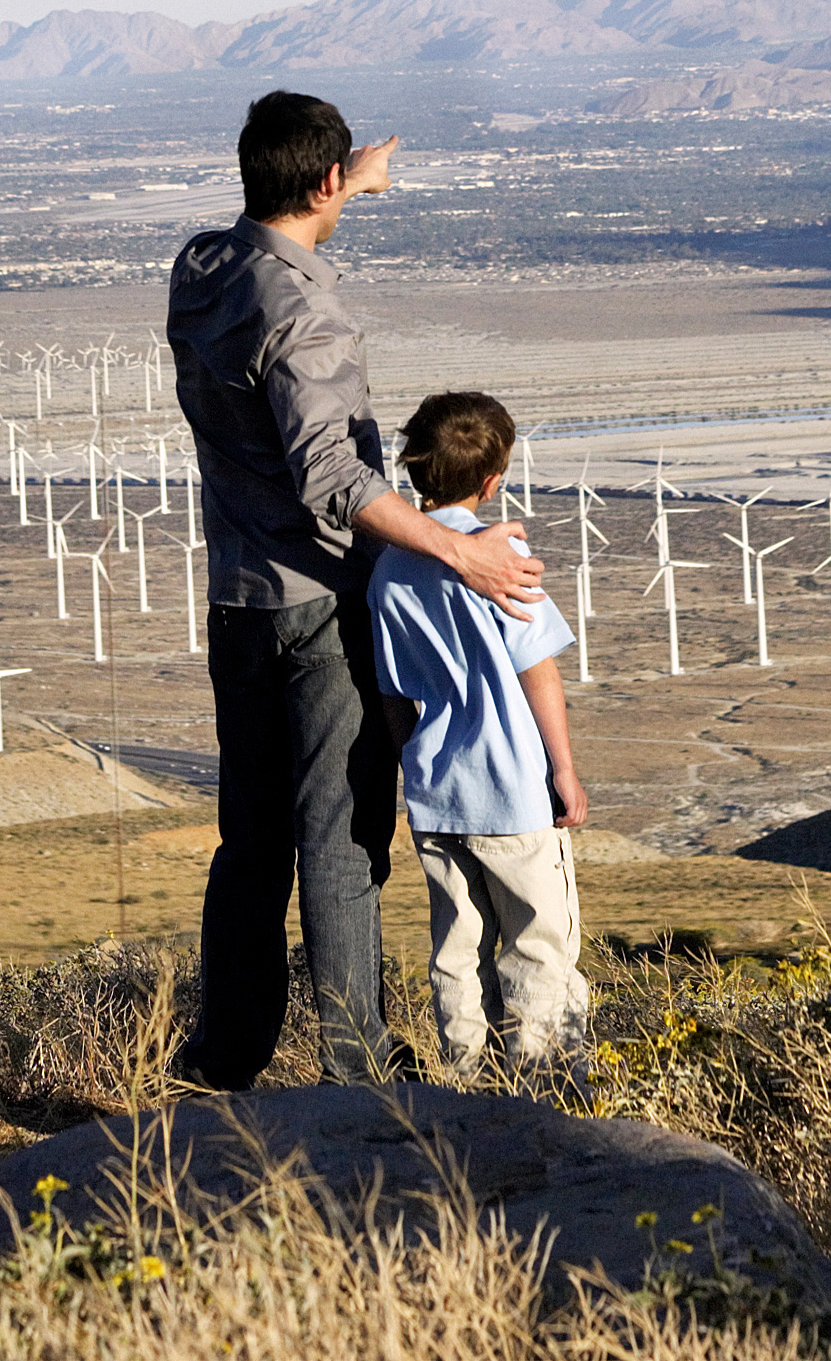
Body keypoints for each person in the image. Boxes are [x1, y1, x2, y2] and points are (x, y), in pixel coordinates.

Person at [166, 89, 547, 1091]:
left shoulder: (200, 268)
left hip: (235, 596)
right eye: (341, 183)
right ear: (323, 180)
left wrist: (353, 180)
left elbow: (269, 233)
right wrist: (461, 554)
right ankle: (356, 1064)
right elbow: (333, 477)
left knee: (249, 835)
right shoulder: (307, 311)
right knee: (339, 839)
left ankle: (224, 1055)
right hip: (317, 601)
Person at [372, 390, 592, 1079]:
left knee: (457, 951)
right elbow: (539, 673)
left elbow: (391, 693)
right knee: (537, 946)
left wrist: (414, 761)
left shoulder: (388, 568)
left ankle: (466, 1081)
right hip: (515, 793)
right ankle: (543, 1087)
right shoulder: (500, 555)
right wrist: (564, 768)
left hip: (438, 795)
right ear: (493, 479)